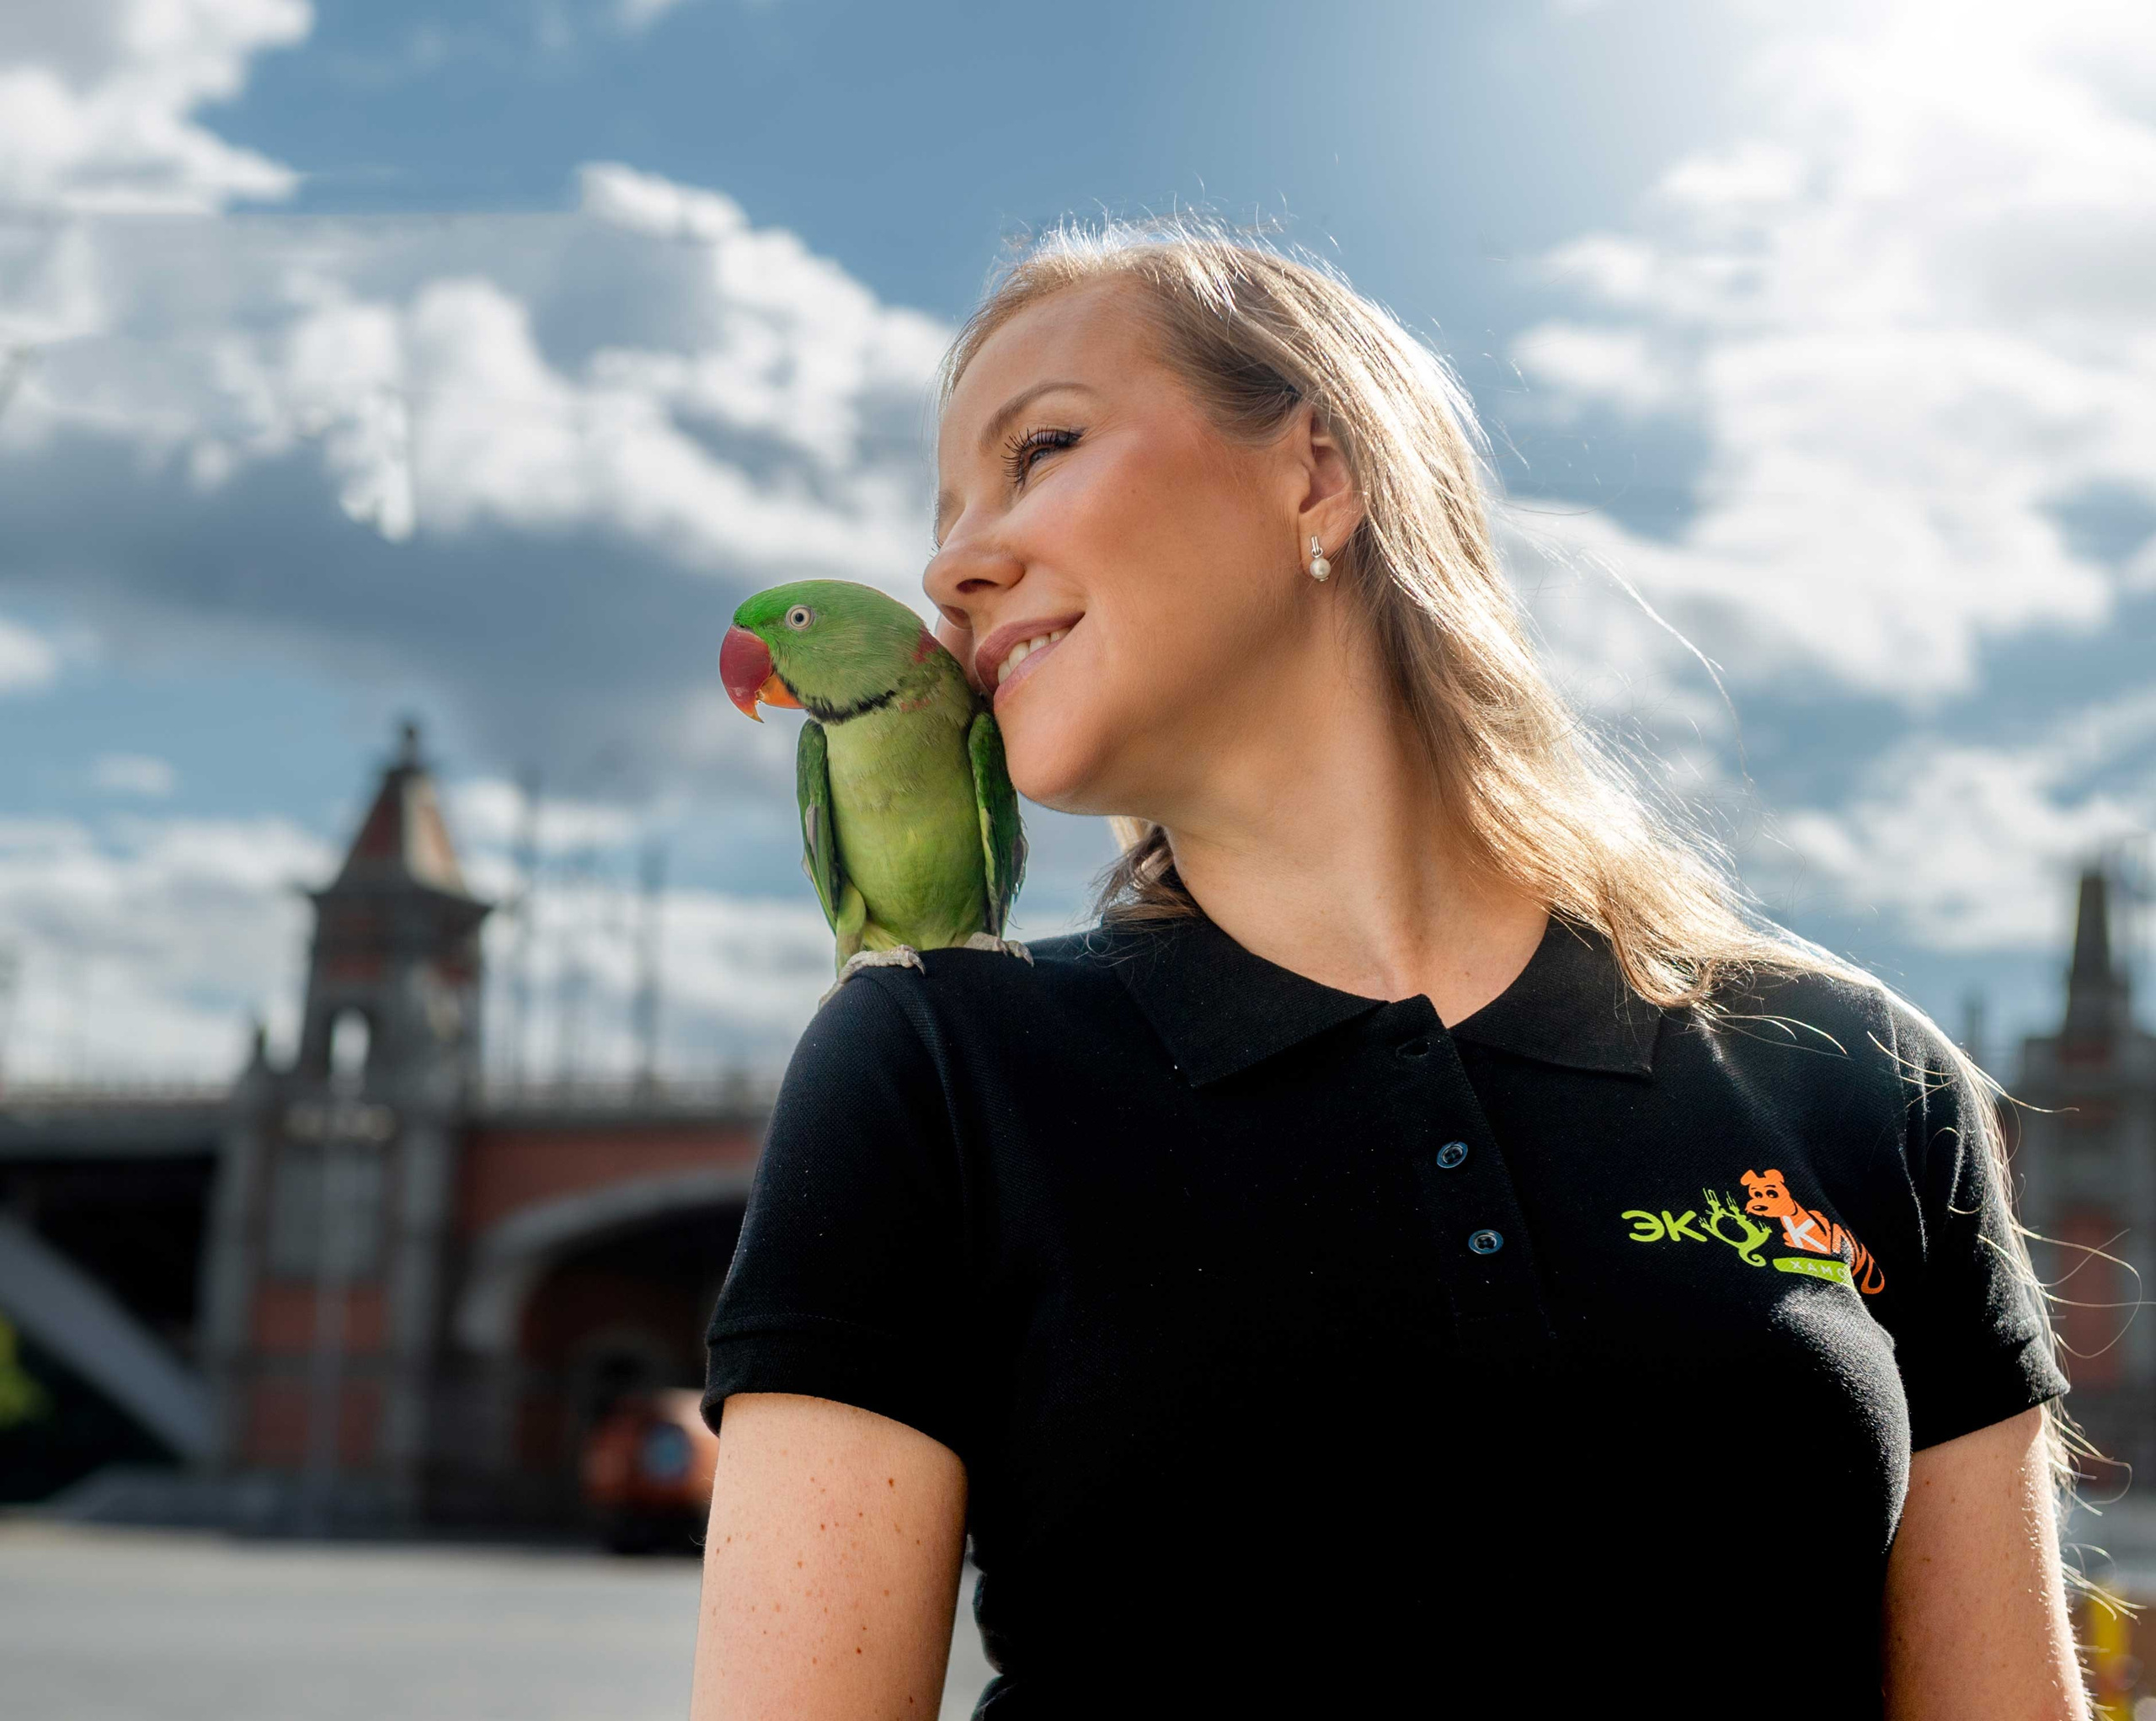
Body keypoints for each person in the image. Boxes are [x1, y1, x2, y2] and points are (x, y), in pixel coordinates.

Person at [688, 219, 2087, 1720]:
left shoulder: (1862, 1078)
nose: (949, 566)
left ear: (1318, 473)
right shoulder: (931, 1070)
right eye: (945, 511)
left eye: (1040, 448)